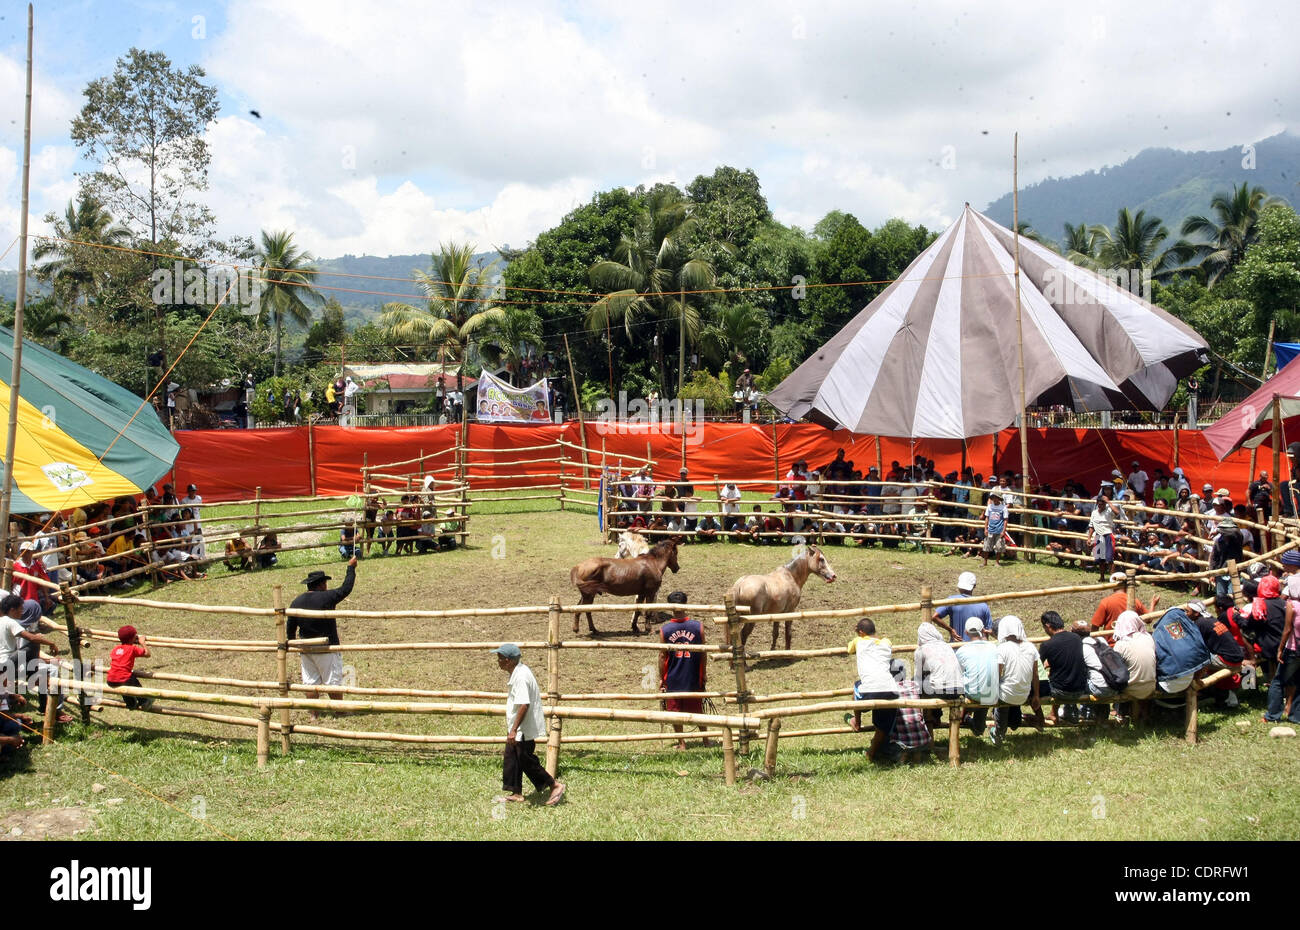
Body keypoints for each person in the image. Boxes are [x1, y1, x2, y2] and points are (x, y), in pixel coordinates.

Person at [493, 643, 565, 806]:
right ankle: (516, 792)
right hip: (519, 727)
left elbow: (524, 704)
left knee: (526, 759)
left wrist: (514, 730)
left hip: (522, 728)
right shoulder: (518, 672)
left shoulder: (520, 677)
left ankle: (554, 785)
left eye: (500, 659)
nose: (498, 662)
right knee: (512, 756)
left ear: (508, 660)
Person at [287, 559, 357, 720]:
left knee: (310, 681)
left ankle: (313, 714)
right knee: (332, 680)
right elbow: (346, 588)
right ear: (321, 585)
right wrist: (350, 569)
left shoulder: (296, 601)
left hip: (306, 648)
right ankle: (338, 711)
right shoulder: (327, 597)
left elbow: (291, 625)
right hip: (326, 646)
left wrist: (292, 641)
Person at [659, 591, 709, 750]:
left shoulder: (665, 630)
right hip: (693, 674)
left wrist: (662, 678)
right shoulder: (697, 627)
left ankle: (682, 743)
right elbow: (704, 652)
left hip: (673, 675)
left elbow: (662, 656)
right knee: (697, 709)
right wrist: (704, 672)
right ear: (686, 605)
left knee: (674, 710)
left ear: (670, 607)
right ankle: (706, 740)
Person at [847, 618, 898, 761]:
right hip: (890, 690)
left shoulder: (859, 641)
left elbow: (849, 649)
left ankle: (857, 722)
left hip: (869, 690)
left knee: (856, 686)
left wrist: (857, 636)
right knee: (883, 724)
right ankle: (872, 753)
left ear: (861, 632)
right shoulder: (886, 642)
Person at [991, 615, 1041, 744]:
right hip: (1024, 694)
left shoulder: (1002, 648)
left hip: (1006, 694)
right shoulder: (1031, 647)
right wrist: (1036, 695)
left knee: (999, 705)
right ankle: (1012, 723)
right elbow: (1035, 675)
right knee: (1010, 696)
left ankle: (999, 734)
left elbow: (996, 674)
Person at [1038, 611, 1088, 723]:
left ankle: (1040, 718)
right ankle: (1055, 713)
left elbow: (1036, 667)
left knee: (1046, 682)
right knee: (1061, 676)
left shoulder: (1047, 645)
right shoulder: (1076, 638)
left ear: (1048, 626)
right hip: (1080, 688)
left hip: (1060, 691)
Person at [955, 618, 1001, 737]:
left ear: (966, 632)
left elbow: (957, 674)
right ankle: (970, 719)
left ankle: (965, 716)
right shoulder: (994, 648)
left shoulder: (962, 651)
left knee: (968, 683)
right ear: (983, 630)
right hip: (991, 693)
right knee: (979, 729)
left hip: (973, 693)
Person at [932, 571, 992, 642]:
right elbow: (988, 630)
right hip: (977, 648)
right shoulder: (983, 605)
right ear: (974, 586)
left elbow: (934, 617)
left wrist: (950, 630)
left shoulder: (952, 600)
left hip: (957, 648)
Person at [104, 624, 153, 711]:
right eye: (135, 636)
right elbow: (147, 654)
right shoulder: (132, 648)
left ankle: (131, 704)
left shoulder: (116, 648)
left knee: (123, 686)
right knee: (132, 680)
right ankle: (144, 701)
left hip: (110, 680)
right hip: (124, 678)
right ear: (132, 639)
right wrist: (142, 643)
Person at [1090, 571, 1159, 631]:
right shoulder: (1135, 601)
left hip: (1110, 644)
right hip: (1131, 643)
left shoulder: (1106, 602)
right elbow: (1148, 620)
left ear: (1112, 586)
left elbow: (1095, 626)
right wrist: (1153, 604)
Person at [981, 491, 1009, 566]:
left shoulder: (1003, 508)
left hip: (999, 530)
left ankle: (997, 562)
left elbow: (1005, 520)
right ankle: (985, 562)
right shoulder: (989, 507)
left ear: (999, 499)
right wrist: (985, 529)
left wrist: (1003, 531)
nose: (995, 499)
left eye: (996, 498)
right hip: (990, 529)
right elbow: (987, 518)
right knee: (986, 546)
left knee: (999, 547)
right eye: (993, 498)